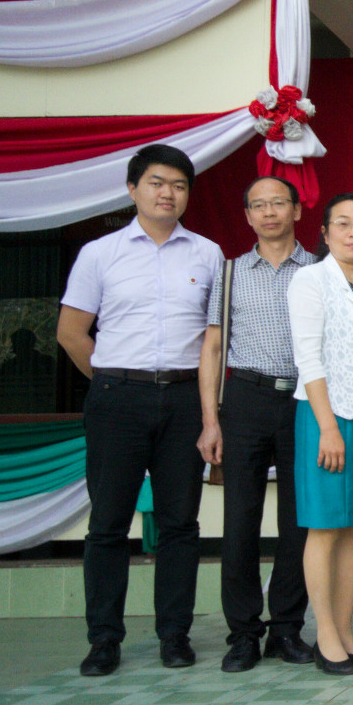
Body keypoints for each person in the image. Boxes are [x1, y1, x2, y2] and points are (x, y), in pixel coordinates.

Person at [58, 144, 223, 677]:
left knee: (180, 523)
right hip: (117, 398)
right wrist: (112, 383)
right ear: (133, 189)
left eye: (178, 185)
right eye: (156, 183)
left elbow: (215, 339)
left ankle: (174, 636)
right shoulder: (100, 253)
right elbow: (71, 333)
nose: (166, 193)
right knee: (107, 524)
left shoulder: (208, 254)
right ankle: (104, 640)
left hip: (184, 399)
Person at [197, 176, 318, 672]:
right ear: (247, 215)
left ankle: (287, 628)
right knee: (239, 523)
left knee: (300, 520)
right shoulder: (229, 273)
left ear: (297, 210)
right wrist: (211, 420)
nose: (269, 212)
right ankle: (244, 633)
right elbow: (213, 347)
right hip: (244, 400)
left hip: (305, 400)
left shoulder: (320, 270)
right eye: (259, 205)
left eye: (278, 203)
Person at [286, 194, 353, 675]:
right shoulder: (310, 280)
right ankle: (325, 634)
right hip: (326, 416)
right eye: (344, 224)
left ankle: (347, 629)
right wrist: (328, 427)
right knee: (326, 524)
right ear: (325, 232)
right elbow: (308, 358)